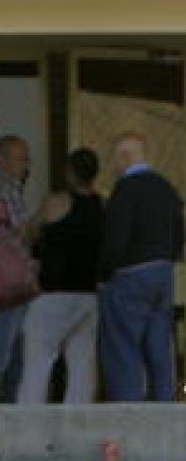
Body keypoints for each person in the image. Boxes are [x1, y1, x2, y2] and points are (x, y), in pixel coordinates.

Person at [98, 131, 185, 402]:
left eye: (116, 157)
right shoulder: (165, 187)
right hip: (163, 271)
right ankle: (164, 404)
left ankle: (129, 409)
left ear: (123, 157)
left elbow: (115, 239)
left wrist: (103, 275)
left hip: (130, 274)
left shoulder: (126, 189)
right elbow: (180, 232)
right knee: (159, 344)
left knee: (123, 346)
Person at [17, 148, 103, 404]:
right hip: (88, 295)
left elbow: (28, 234)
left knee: (38, 362)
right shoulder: (102, 205)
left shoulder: (56, 203)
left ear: (70, 172)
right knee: (81, 367)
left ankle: (29, 422)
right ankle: (77, 423)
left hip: (53, 295)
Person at [0, 133, 33, 401]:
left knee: (14, 350)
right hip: (8, 283)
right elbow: (21, 232)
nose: (27, 164)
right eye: (21, 158)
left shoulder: (13, 188)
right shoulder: (6, 189)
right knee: (7, 351)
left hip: (11, 282)